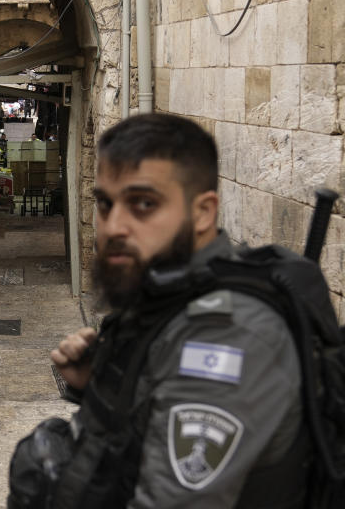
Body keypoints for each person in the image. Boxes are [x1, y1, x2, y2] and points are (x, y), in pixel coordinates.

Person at [49, 113, 306, 507]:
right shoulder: (168, 298)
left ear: (202, 213)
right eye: (104, 203)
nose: (113, 226)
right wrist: (101, 386)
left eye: (144, 204)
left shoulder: (227, 338)